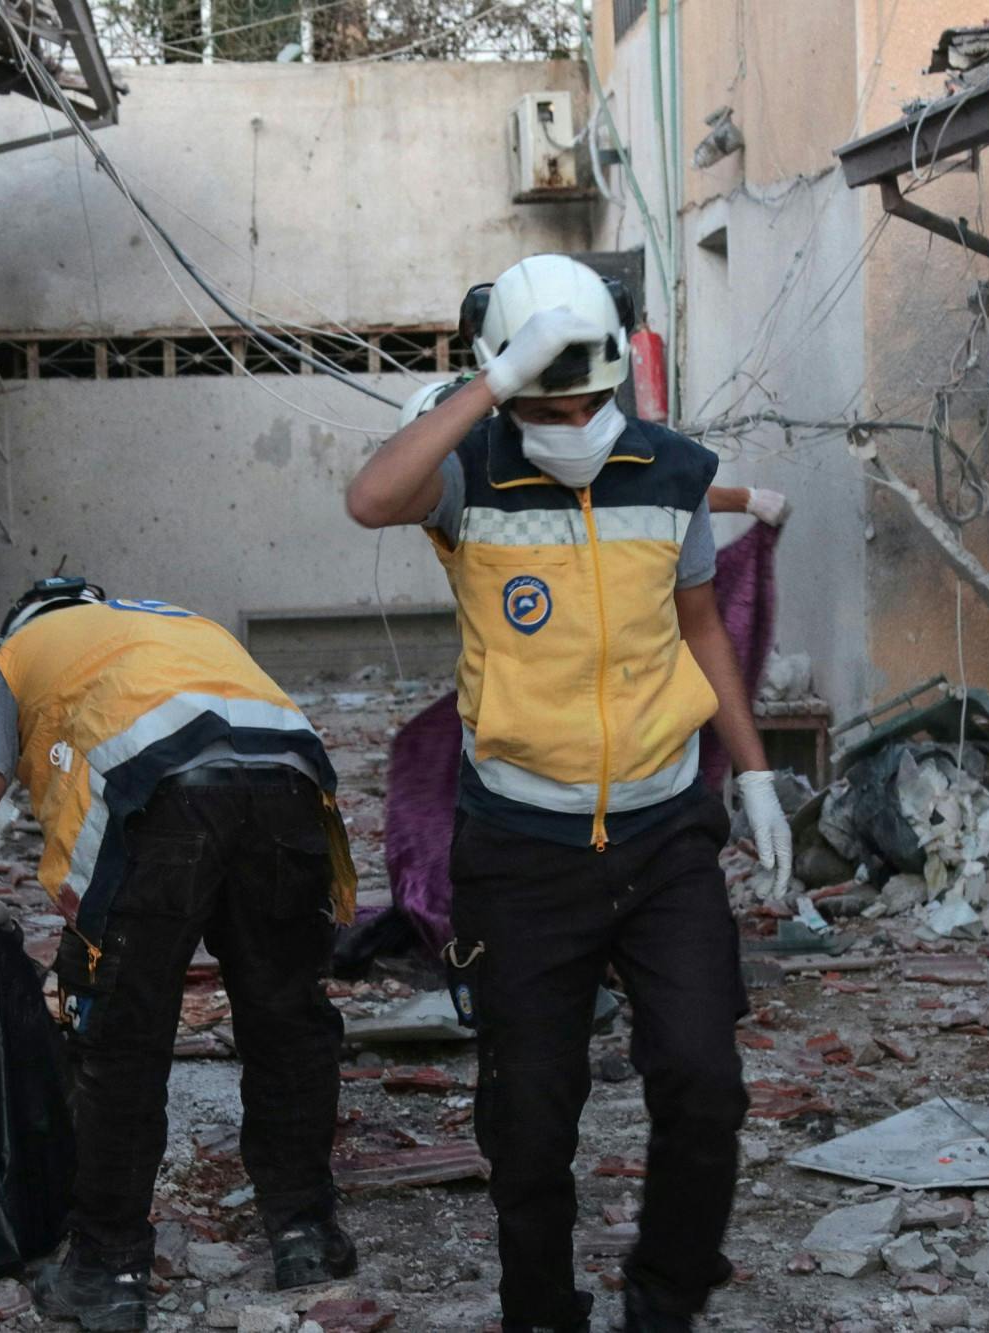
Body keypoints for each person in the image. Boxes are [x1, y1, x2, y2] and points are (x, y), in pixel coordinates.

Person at [344, 255, 793, 1333]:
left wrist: (755, 772)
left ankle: (665, 1302)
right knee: (529, 1119)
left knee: (703, 1082)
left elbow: (698, 624)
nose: (574, 420)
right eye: (549, 401)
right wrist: (494, 386)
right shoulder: (470, 474)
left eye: (588, 397)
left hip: (663, 833)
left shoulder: (673, 472)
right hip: (519, 847)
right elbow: (369, 498)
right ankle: (541, 1310)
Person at [0, 579, 359, 1333]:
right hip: (290, 782)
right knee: (288, 1019)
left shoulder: (12, 657)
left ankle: (108, 1269)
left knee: (120, 1042)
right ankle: (306, 1234)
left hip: (157, 797)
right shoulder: (180, 624)